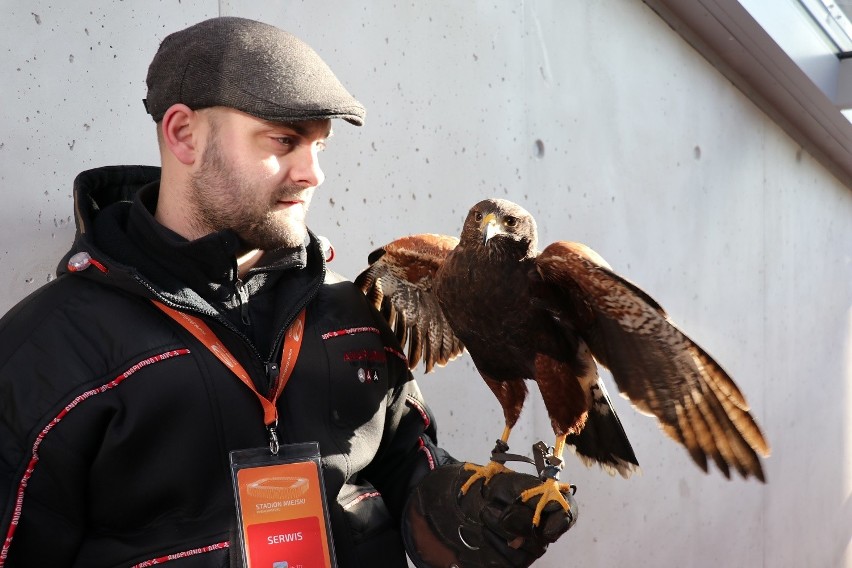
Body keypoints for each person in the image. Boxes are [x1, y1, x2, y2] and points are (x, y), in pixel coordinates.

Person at [0, 16, 573, 567]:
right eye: (284, 140)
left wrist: (463, 513)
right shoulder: (51, 350)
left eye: (319, 147)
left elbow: (407, 469)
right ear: (183, 134)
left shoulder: (354, 311)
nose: (312, 173)